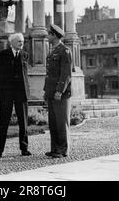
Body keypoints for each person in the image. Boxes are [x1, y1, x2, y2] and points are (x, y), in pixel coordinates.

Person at [0, 33, 31, 158]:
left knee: (23, 122)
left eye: (22, 41)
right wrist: (5, 87)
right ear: (11, 42)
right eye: (19, 41)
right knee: (4, 121)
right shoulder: (3, 55)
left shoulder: (24, 55)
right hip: (7, 93)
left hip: (21, 93)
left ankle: (24, 148)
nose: (21, 43)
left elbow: (25, 75)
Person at [43, 24, 72, 158]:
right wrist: (47, 91)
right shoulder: (52, 50)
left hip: (60, 93)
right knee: (53, 122)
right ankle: (55, 148)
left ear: (54, 35)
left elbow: (65, 74)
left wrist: (60, 91)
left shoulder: (64, 51)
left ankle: (63, 149)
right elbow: (50, 74)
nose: (47, 36)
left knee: (61, 122)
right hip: (51, 91)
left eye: (49, 34)